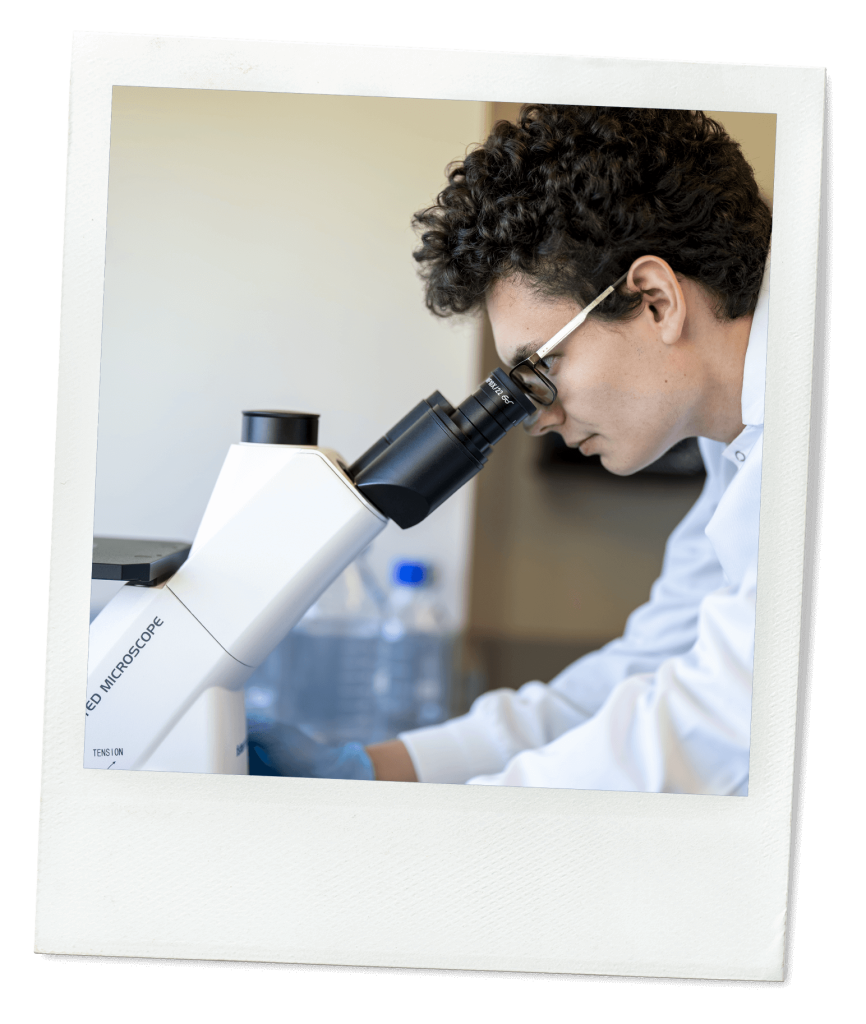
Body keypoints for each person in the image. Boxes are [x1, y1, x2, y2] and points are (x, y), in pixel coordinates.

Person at [250, 105, 771, 795]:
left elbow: (713, 725)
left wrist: (446, 825)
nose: (538, 417)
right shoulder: (734, 445)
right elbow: (648, 668)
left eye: (538, 368)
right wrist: (380, 770)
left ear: (654, 300)